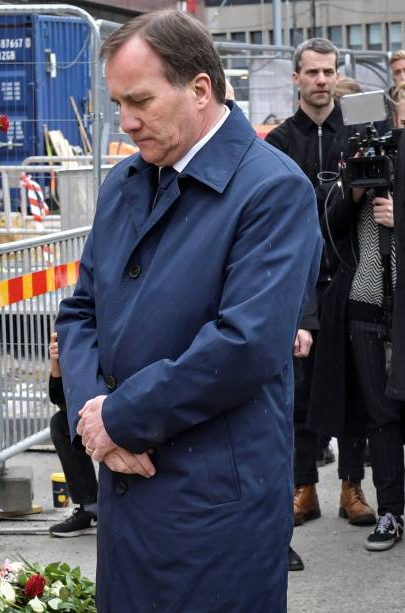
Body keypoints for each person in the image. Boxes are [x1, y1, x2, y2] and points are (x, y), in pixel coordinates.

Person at [56, 10, 321, 611]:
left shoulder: (272, 190)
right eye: (118, 103)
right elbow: (80, 314)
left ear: (200, 89)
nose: (125, 123)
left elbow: (245, 343)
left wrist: (119, 417)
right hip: (127, 482)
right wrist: (93, 419)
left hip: (215, 503)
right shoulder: (127, 182)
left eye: (141, 101)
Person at [264, 38, 376, 571]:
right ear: (296, 78)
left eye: (329, 71)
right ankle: (303, 488)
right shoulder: (280, 141)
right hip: (301, 282)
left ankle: (351, 488)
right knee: (300, 393)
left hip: (353, 274)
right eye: (312, 72)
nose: (322, 80)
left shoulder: (356, 135)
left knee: (356, 387)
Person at [311, 85, 405, 552]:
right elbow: (328, 229)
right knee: (380, 416)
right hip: (364, 306)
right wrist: (356, 192)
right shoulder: (350, 170)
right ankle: (390, 511)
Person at [46, 331, 99, 537]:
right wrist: (56, 362)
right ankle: (91, 508)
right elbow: (58, 398)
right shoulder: (77, 328)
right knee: (62, 424)